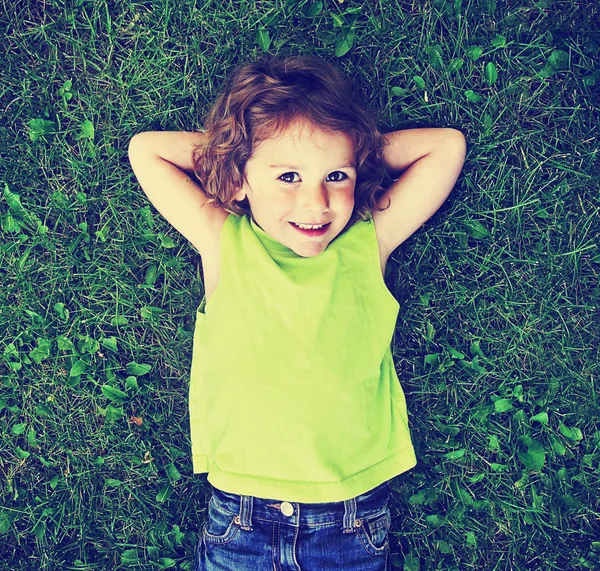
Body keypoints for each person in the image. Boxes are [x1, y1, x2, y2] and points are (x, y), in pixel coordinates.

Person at [128, 54, 466, 571]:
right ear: (239, 179)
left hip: (349, 520)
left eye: (336, 175)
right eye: (288, 175)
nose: (316, 202)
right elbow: (146, 151)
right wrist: (233, 152)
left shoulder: (367, 241)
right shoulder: (224, 240)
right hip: (241, 518)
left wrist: (357, 146)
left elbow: (446, 148)